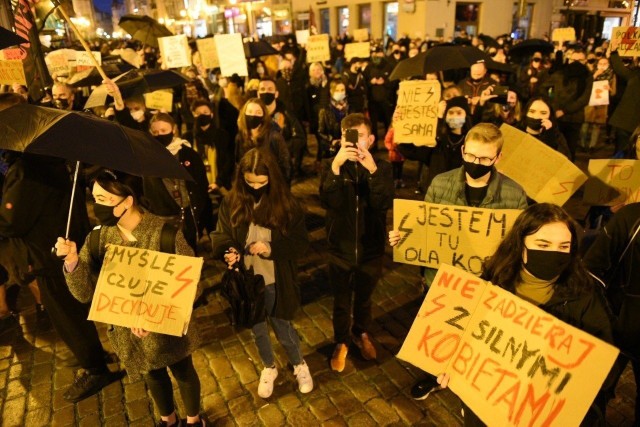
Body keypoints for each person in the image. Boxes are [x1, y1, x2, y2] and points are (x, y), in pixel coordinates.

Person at [438, 203, 615, 426]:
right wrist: (451, 369)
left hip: (544, 415)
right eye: (543, 244)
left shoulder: (585, 297)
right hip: (487, 409)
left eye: (563, 246)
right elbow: (459, 341)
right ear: (521, 246)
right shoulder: (490, 285)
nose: (553, 253)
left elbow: (604, 370)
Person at [55, 170, 206, 427]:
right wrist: (72, 262)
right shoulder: (98, 238)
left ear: (127, 201)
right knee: (152, 375)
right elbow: (83, 293)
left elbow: (193, 285)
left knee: (183, 372)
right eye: (94, 199)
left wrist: (152, 313)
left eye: (104, 199)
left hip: (168, 329)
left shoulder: (165, 233)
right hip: (130, 332)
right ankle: (168, 420)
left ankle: (194, 421)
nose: (97, 206)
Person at [389, 123, 528, 400]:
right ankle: (433, 375)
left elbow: (517, 241)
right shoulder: (441, 183)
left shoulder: (515, 194)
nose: (477, 163)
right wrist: (405, 236)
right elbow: (425, 227)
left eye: (485, 159)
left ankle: (471, 381)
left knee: (480, 333)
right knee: (440, 330)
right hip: (443, 278)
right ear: (463, 150)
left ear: (497, 158)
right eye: (472, 156)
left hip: (487, 281)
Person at [210, 149, 312, 398]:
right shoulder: (232, 201)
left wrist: (270, 248)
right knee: (257, 329)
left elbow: (300, 242)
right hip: (247, 281)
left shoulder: (287, 204)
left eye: (261, 182)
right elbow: (221, 234)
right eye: (250, 182)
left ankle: (299, 364)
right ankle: (269, 367)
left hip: (275, 279)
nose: (255, 187)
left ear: (272, 179)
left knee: (283, 327)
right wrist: (228, 250)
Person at [319, 113, 394, 372]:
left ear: (371, 140)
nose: (353, 142)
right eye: (347, 137)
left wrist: (372, 170)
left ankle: (360, 332)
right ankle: (341, 341)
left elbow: (382, 203)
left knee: (363, 298)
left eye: (359, 136)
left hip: (370, 249)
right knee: (341, 301)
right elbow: (330, 203)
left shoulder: (382, 168)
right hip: (339, 248)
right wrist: (336, 168)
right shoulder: (330, 165)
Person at [584, 202, 640, 424]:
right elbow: (592, 267)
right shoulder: (631, 217)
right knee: (595, 392)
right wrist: (608, 317)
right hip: (616, 331)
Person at [147, 113, 213, 250]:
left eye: (164, 130)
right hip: (162, 215)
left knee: (188, 249)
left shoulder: (188, 154)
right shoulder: (148, 156)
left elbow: (201, 184)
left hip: (187, 213)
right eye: (155, 132)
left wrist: (197, 209)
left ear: (174, 129)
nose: (159, 135)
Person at [539, 50, 593, 161]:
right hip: (556, 116)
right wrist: (552, 106)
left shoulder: (587, 77)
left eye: (580, 60)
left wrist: (564, 111)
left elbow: (584, 99)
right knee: (554, 145)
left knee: (570, 148)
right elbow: (543, 88)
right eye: (574, 60)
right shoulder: (560, 74)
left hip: (574, 118)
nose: (576, 63)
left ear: (585, 61)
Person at [258, 78, 307, 179]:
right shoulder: (253, 114)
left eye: (269, 89)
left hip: (281, 166)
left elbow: (300, 138)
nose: (266, 92)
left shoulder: (287, 114)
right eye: (262, 89)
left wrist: (281, 149)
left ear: (276, 94)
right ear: (258, 94)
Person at [236, 98, 291, 183]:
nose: (253, 115)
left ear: (263, 116)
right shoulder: (240, 137)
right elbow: (239, 163)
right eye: (250, 112)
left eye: (258, 112)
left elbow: (285, 165)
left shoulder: (274, 137)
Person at [188, 99, 234, 193]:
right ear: (193, 115)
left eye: (205, 112)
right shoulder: (188, 137)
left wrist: (219, 182)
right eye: (198, 113)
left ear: (211, 114)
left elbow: (228, 161)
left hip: (221, 187)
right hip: (198, 189)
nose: (202, 115)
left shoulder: (222, 135)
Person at [582, 56, 616, 152]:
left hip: (602, 103)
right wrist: (595, 75)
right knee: (585, 124)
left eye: (605, 64)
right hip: (590, 102)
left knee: (597, 125)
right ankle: (583, 144)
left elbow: (614, 92)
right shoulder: (591, 73)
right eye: (601, 64)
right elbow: (585, 85)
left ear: (608, 65)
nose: (602, 66)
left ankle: (592, 146)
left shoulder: (612, 75)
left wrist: (609, 89)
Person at [317, 80, 349, 159]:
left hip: (347, 145)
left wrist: (346, 140)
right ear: (331, 91)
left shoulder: (350, 108)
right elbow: (321, 132)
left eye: (342, 90)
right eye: (337, 90)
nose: (340, 92)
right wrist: (332, 140)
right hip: (331, 148)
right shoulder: (325, 110)